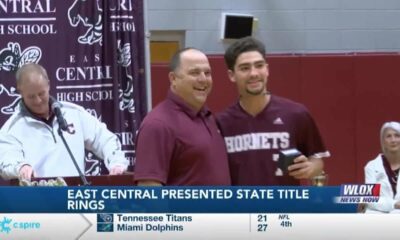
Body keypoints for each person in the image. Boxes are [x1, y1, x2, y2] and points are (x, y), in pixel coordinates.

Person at [217, 36, 330, 185]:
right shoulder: (221, 123)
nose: (254, 73)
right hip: (240, 207)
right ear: (232, 75)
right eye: (245, 68)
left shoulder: (296, 114)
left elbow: (317, 160)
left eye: (259, 65)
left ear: (267, 69)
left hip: (285, 207)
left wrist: (310, 168)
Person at [0, 63, 128, 180]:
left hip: (76, 197)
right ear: (20, 92)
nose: (38, 101)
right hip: (37, 199)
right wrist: (21, 167)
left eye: (41, 93)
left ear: (48, 85)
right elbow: (6, 159)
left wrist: (116, 163)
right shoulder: (12, 128)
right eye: (31, 96)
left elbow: (105, 139)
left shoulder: (74, 113)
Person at [134, 48, 231, 186]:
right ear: (173, 79)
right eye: (194, 72)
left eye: (207, 73)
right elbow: (149, 190)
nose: (203, 79)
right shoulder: (158, 124)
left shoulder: (209, 118)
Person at [364, 122, 400, 213]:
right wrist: (394, 204)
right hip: (378, 217)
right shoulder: (372, 166)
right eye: (389, 136)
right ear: (383, 140)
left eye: (397, 136)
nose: (393, 140)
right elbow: (371, 199)